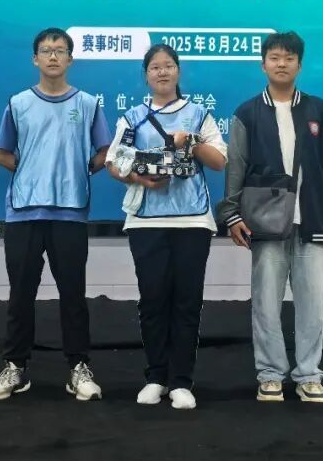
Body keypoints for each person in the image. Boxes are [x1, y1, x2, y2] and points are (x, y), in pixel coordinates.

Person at [217, 31, 323, 405]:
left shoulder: (319, 111)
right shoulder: (247, 113)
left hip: (313, 220)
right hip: (264, 224)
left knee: (313, 304)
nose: (282, 64)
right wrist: (232, 214)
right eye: (275, 58)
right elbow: (236, 168)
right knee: (265, 303)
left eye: (289, 58)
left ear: (299, 64)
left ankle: (309, 375)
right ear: (263, 64)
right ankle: (270, 375)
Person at [0, 27, 111, 402]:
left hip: (70, 212)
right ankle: (15, 367)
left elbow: (104, 152)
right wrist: (33, 173)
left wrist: (76, 171)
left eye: (60, 50)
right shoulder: (18, 103)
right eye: (46, 50)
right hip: (24, 212)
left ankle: (78, 368)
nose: (53, 56)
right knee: (20, 294)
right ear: (35, 59)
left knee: (73, 294)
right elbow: (3, 154)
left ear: (71, 59)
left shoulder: (88, 104)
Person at [105, 44, 227, 410]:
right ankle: (156, 377)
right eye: (155, 67)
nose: (162, 72)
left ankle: (181, 382)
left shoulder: (199, 115)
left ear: (178, 71)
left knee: (187, 302)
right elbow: (114, 163)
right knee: (153, 300)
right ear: (146, 75)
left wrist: (191, 141)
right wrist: (140, 177)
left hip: (193, 220)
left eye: (169, 66)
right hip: (146, 222)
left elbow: (219, 161)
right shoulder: (133, 117)